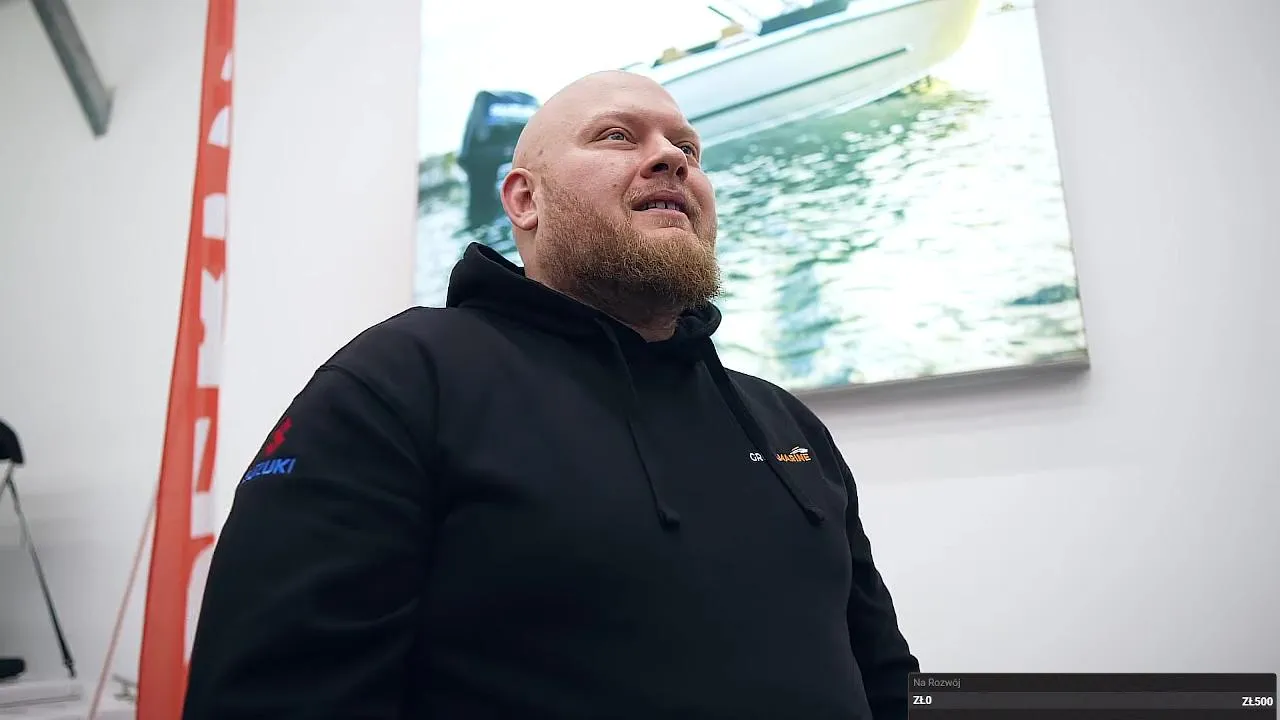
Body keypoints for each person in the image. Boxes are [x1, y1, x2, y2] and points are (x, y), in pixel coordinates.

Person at [182, 70, 918, 720]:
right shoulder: (400, 381)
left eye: (688, 149)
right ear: (525, 200)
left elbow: (892, 679)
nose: (670, 158)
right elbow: (272, 696)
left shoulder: (785, 424)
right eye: (617, 136)